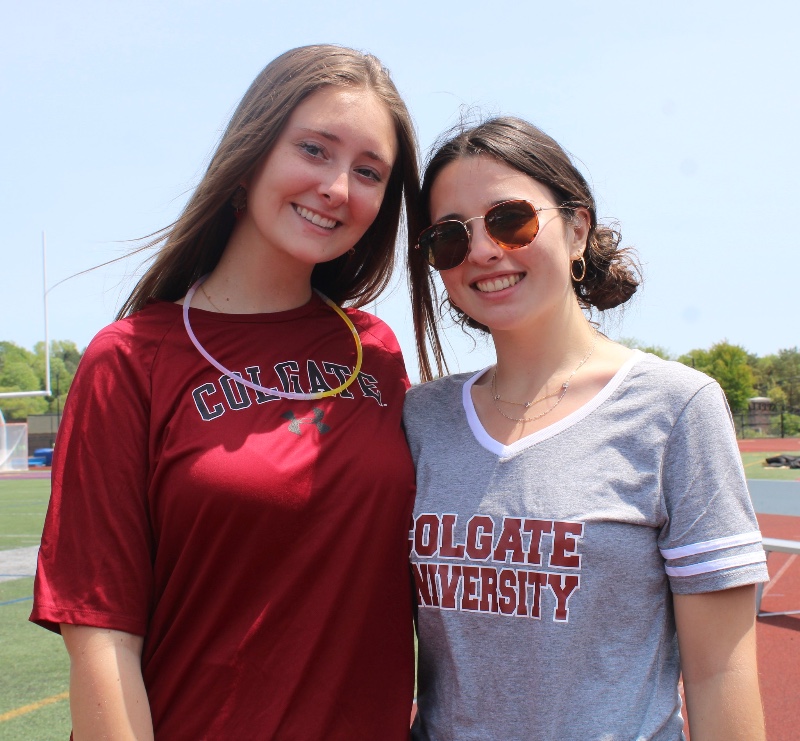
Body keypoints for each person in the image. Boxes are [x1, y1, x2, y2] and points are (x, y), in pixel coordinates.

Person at [31, 45, 420, 740]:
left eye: (369, 172)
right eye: (314, 149)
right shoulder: (129, 359)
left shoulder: (379, 354)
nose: (338, 186)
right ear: (249, 158)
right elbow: (100, 630)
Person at [404, 117, 768, 740]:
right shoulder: (421, 417)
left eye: (509, 219)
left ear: (576, 229)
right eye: (449, 237)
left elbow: (719, 673)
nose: (484, 251)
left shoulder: (676, 408)